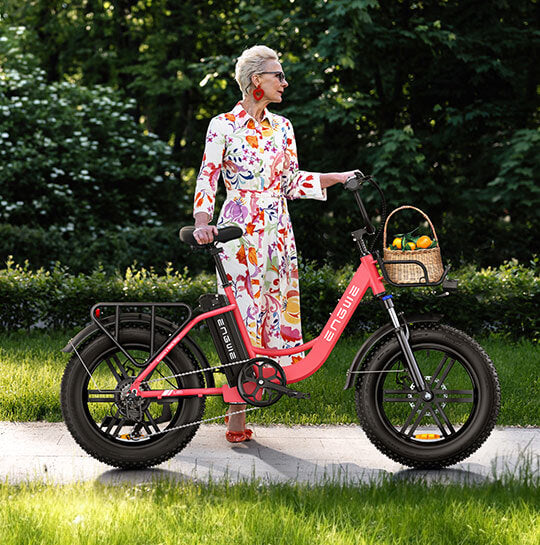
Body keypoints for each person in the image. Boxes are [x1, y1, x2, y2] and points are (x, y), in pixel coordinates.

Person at [192, 45, 355, 442]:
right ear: (255, 81)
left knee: (274, 311)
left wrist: (334, 177)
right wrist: (202, 220)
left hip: (278, 229)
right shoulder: (223, 125)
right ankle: (236, 413)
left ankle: (261, 386)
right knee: (242, 317)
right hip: (239, 232)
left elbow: (289, 182)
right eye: (277, 75)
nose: (284, 82)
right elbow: (207, 177)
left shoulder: (283, 127)